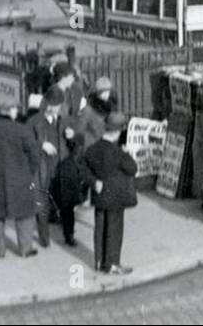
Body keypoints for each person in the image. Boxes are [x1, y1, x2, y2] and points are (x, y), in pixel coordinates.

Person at [0, 97, 43, 258]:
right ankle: (25, 248)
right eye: (15, 108)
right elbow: (34, 156)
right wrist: (29, 172)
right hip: (20, 179)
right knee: (24, 214)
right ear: (11, 111)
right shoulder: (22, 130)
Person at [79, 111, 137, 274]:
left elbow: (82, 169)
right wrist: (127, 153)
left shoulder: (92, 149)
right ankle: (112, 264)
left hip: (99, 194)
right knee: (114, 230)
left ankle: (99, 261)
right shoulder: (118, 153)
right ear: (118, 132)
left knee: (100, 228)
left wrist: (94, 182)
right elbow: (133, 168)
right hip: (116, 197)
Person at [26, 88, 68, 249]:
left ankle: (67, 234)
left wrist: (71, 135)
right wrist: (41, 145)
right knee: (42, 202)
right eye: (50, 104)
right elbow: (25, 141)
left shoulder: (63, 120)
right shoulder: (34, 121)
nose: (53, 108)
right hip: (42, 168)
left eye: (56, 105)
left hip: (59, 166)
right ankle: (45, 238)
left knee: (61, 200)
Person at [74, 76, 116, 151]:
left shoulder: (110, 107)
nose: (106, 95)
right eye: (103, 92)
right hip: (92, 146)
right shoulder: (88, 109)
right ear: (98, 93)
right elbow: (80, 130)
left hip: (108, 146)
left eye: (108, 92)